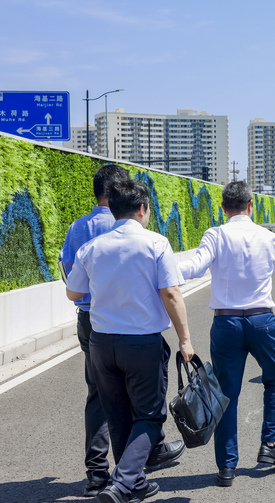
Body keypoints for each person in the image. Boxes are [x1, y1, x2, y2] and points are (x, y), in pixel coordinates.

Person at [178, 181, 275, 488]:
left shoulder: (215, 234)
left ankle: (226, 468)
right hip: (262, 321)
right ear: (251, 206)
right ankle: (268, 447)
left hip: (226, 324)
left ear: (223, 208)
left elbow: (193, 268)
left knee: (226, 395)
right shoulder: (267, 236)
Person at [59, 165, 185, 498]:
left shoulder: (87, 240)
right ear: (141, 208)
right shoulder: (154, 242)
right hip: (140, 339)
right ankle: (126, 476)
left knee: (110, 407)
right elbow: (171, 294)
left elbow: (73, 290)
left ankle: (119, 478)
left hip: (98, 335)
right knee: (149, 412)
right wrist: (186, 339)